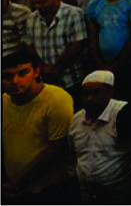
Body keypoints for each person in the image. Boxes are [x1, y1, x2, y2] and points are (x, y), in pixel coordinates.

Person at [1, 49, 75, 202]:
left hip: (51, 189)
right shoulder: (4, 101)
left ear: (36, 72)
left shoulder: (56, 99)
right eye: (7, 76)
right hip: (14, 189)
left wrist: (16, 184)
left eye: (22, 73)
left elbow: (56, 148)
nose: (15, 81)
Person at [68, 70, 131, 203]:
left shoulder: (124, 114)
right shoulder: (76, 120)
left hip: (121, 193)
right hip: (87, 194)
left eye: (96, 92)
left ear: (110, 91)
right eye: (85, 94)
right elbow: (71, 156)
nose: (90, 98)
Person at [23, 0, 88, 97]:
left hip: (70, 77)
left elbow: (77, 45)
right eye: (35, 3)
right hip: (42, 79)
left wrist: (57, 69)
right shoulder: (32, 18)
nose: (38, 6)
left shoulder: (74, 14)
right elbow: (29, 45)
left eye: (43, 2)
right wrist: (42, 67)